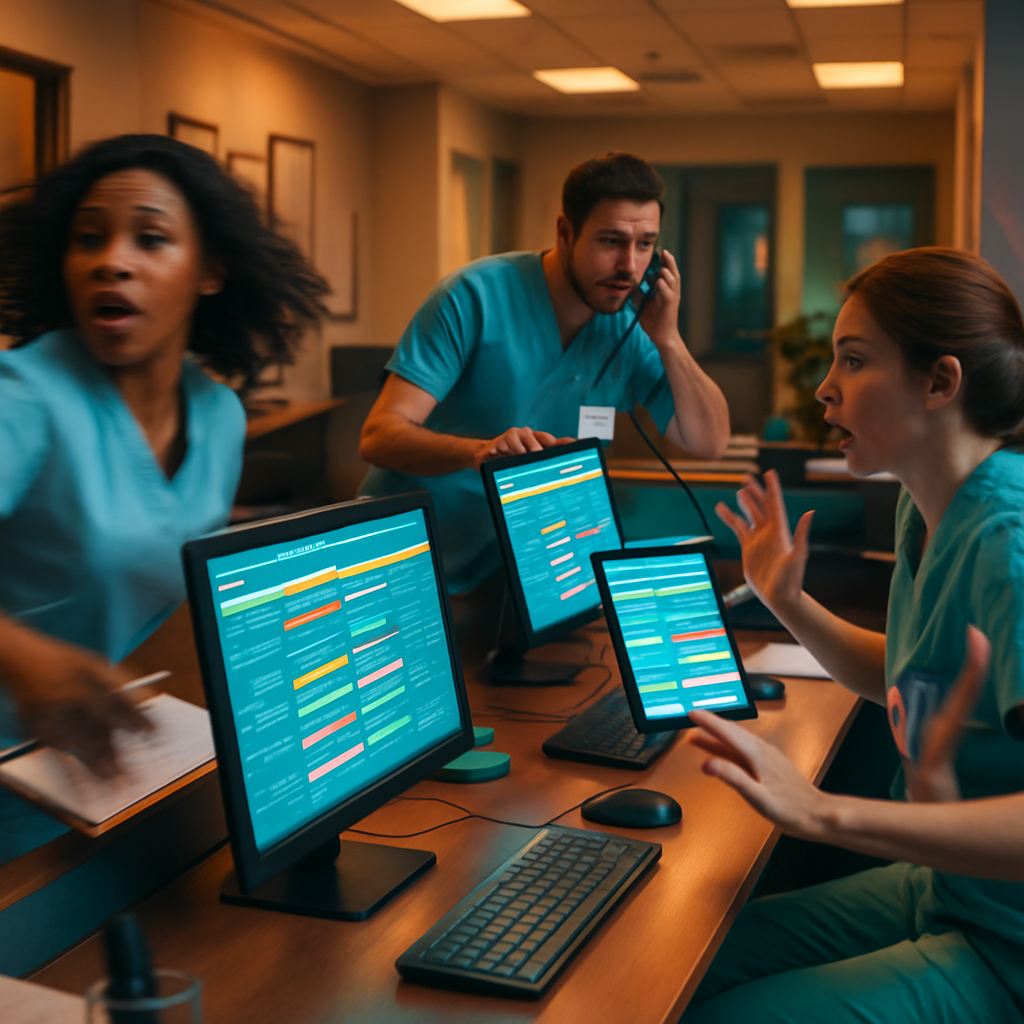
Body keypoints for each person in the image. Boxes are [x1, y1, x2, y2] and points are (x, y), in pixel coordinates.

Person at [683, 247, 1024, 1023]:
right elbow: (906, 671)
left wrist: (823, 810)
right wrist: (788, 601)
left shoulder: (1007, 544)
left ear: (940, 383)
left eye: (855, 361)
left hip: (1006, 942)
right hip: (943, 885)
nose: (823, 388)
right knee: (686, 967)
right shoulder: (926, 505)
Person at [0, 134, 327, 859]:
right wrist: (21, 655)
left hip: (113, 767)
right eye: (88, 239)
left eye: (150, 239)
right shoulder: (26, 396)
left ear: (210, 270)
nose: (110, 260)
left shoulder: (218, 415)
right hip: (12, 784)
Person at [358, 152, 730, 592]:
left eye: (645, 244)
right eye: (611, 241)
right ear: (565, 232)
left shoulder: (630, 328)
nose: (630, 266)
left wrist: (668, 338)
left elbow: (710, 441)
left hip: (511, 573)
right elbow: (379, 434)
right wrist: (479, 454)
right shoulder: (475, 296)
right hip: (404, 560)